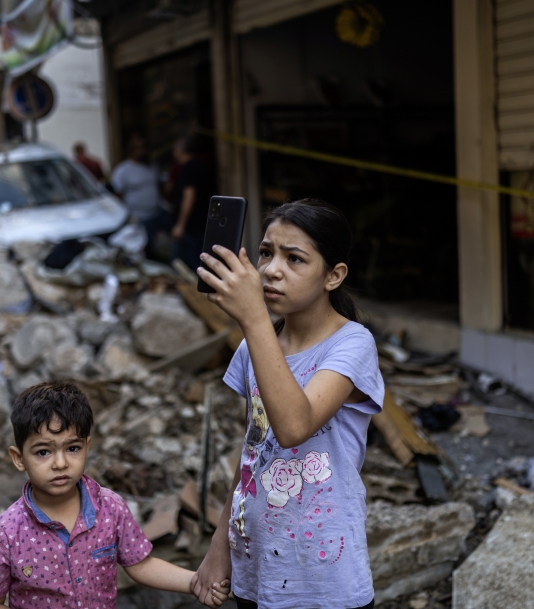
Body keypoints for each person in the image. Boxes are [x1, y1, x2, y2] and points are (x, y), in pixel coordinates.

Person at [192, 199, 385, 609]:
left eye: (294, 259)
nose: (271, 270)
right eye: (266, 253)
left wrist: (254, 318)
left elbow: (294, 426)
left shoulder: (352, 344)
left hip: (324, 581)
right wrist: (219, 546)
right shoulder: (256, 346)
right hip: (256, 570)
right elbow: (253, 452)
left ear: (333, 276)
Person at [0, 381, 230, 609]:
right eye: (43, 452)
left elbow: (140, 565)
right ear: (18, 458)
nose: (60, 463)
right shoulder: (1, 537)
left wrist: (196, 582)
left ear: (87, 447)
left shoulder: (110, 508)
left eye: (72, 448)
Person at [110, 132, 169, 257]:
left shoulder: (152, 166)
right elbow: (118, 195)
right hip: (139, 217)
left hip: (157, 212)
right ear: (132, 150)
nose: (144, 151)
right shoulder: (122, 170)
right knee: (146, 249)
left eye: (145, 147)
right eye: (141, 148)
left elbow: (158, 186)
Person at [170, 134, 214, 270]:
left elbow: (189, 196)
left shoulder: (187, 168)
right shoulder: (200, 165)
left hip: (193, 225)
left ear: (180, 150)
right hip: (202, 222)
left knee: (191, 263)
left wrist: (180, 225)